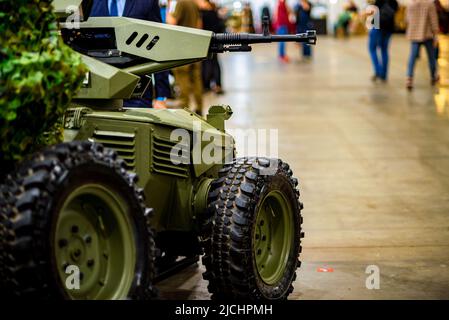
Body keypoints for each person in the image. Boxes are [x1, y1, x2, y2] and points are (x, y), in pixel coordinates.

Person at [90, 0, 171, 108]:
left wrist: (161, 97)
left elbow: (158, 44)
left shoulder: (147, 2)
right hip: (99, 93)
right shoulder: (90, 3)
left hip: (137, 92)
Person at [167, 0, 204, 115]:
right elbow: (199, 24)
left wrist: (169, 9)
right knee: (196, 79)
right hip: (194, 46)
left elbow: (171, 22)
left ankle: (185, 110)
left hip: (181, 48)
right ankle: (199, 107)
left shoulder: (179, 3)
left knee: (182, 78)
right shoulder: (193, 3)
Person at [405, 0, 440, 90]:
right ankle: (433, 76)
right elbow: (434, 20)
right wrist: (436, 34)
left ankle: (409, 78)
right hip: (427, 34)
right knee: (431, 57)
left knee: (412, 57)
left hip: (414, 34)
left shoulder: (411, 4)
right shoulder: (429, 4)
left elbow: (407, 19)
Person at [368, 0, 398, 82]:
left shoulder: (379, 1)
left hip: (378, 26)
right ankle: (384, 74)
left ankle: (378, 71)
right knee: (384, 50)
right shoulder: (394, 2)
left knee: (372, 48)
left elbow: (374, 11)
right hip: (389, 28)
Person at [199, 0, 224, 94]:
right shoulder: (214, 13)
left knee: (208, 64)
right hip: (215, 41)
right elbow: (220, 27)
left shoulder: (203, 14)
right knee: (215, 64)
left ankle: (206, 85)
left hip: (206, 42)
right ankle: (217, 85)